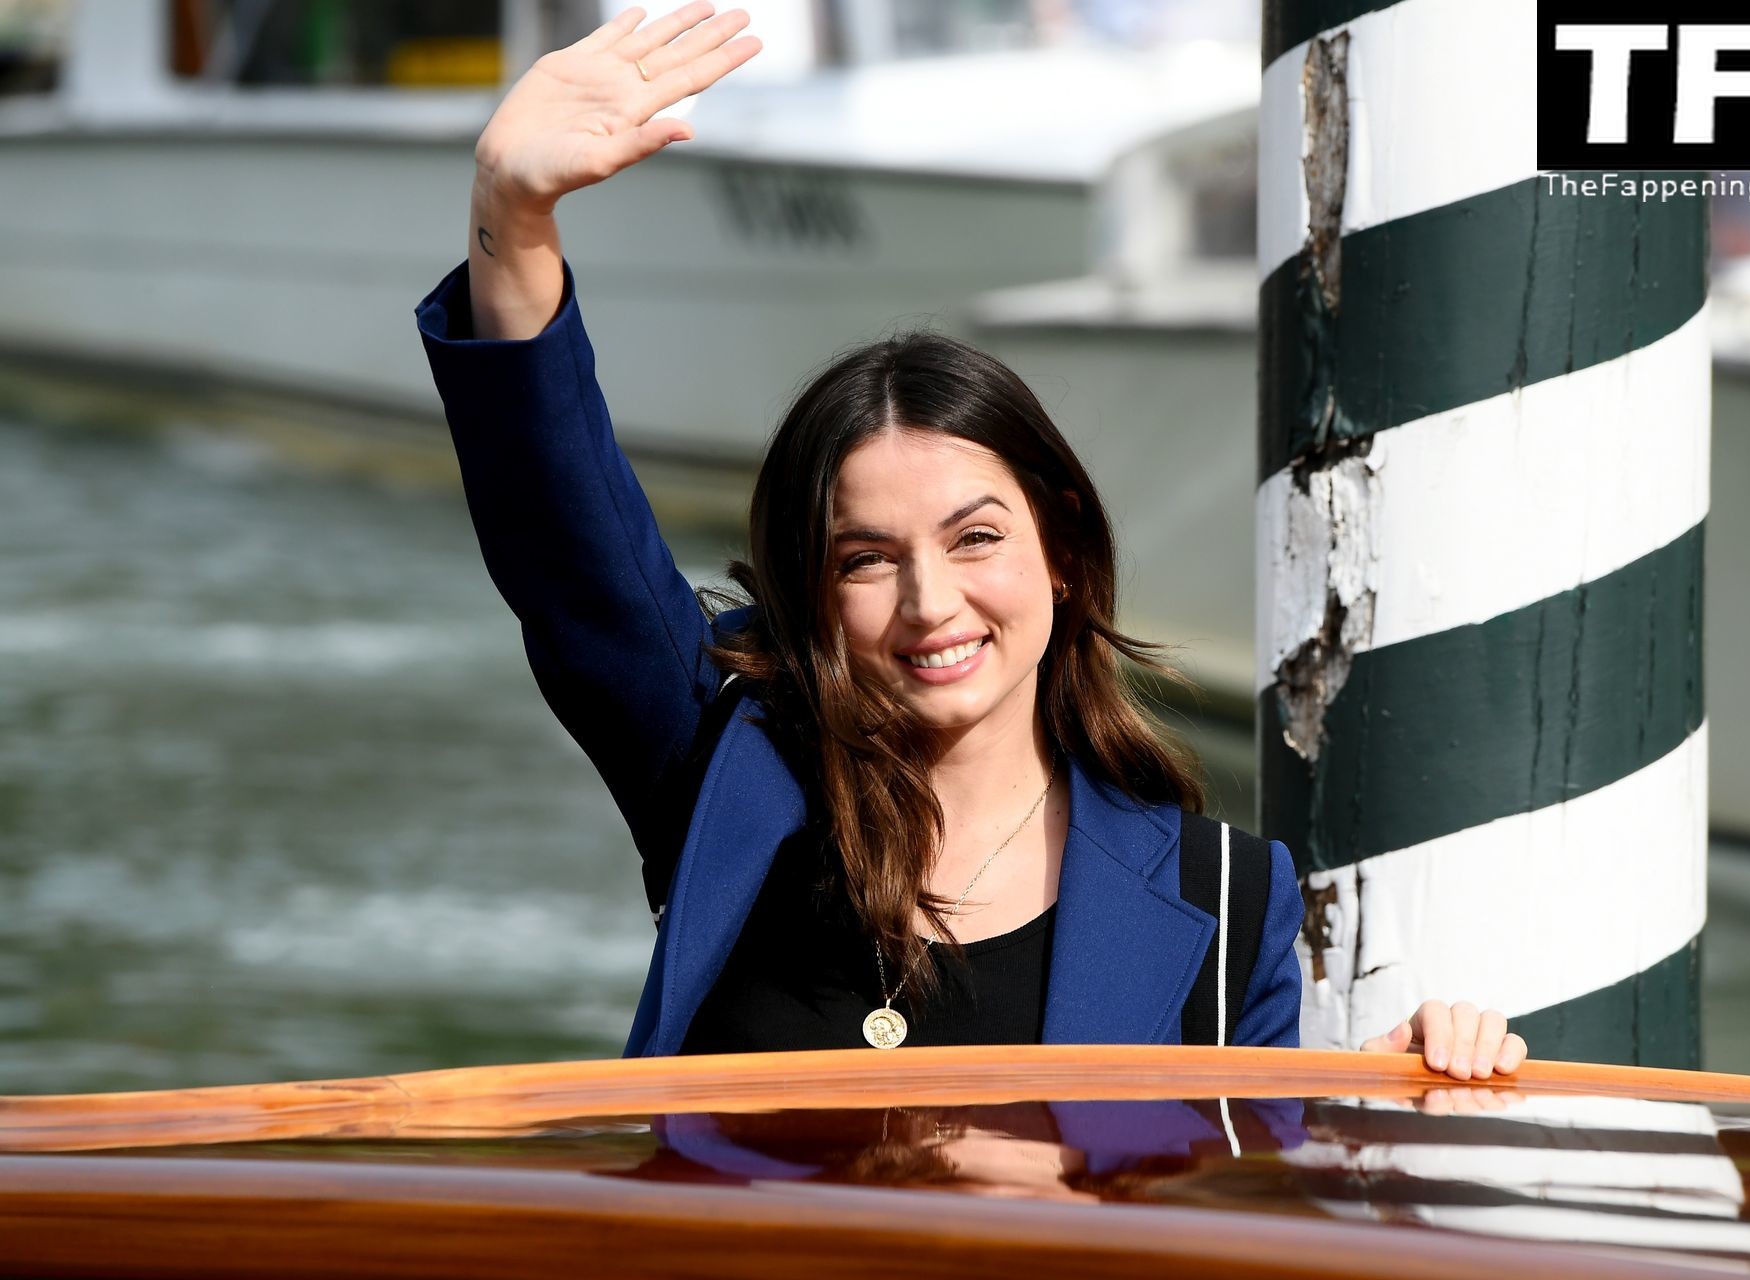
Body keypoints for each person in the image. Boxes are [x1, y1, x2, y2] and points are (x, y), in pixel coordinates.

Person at [414, 3, 1528, 1079]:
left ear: (1063, 551)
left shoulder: (1226, 895)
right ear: (812, 589)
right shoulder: (725, 766)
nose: (930, 600)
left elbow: (1243, 1175)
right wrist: (511, 217)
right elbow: (573, 555)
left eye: (975, 537)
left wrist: (1381, 1102)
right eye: (866, 558)